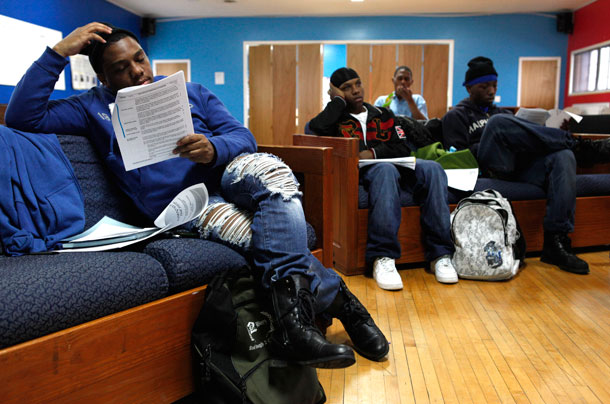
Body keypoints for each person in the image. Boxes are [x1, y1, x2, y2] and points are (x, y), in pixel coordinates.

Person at [4, 22, 390, 367]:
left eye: (139, 59)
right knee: (260, 239)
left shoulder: (190, 92)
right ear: (104, 78)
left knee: (275, 172)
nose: (136, 71)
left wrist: (213, 148)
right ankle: (346, 310)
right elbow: (23, 117)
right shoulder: (91, 108)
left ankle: (297, 326)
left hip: (230, 174)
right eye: (120, 68)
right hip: (188, 206)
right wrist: (58, 53)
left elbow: (244, 138)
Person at [442, 56, 610, 275]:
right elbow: (457, 157)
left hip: (520, 166)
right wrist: (489, 140)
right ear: (469, 87)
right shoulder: (455, 116)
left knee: (563, 156)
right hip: (489, 165)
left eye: (494, 86)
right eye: (484, 86)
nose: (491, 91)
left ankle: (556, 242)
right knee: (498, 124)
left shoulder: (504, 113)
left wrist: (552, 129)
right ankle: (584, 148)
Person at [306, 67, 458, 290]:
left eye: (358, 84)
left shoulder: (384, 114)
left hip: (398, 164)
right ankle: (383, 257)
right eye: (347, 88)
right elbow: (313, 130)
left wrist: (372, 152)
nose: (356, 90)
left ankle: (441, 255)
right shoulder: (334, 120)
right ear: (336, 92)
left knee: (434, 169)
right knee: (385, 170)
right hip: (363, 173)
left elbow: (402, 145)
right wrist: (337, 103)